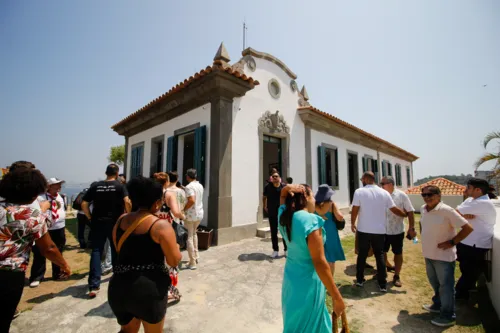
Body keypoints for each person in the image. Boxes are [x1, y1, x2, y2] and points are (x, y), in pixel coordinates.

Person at [108, 176, 182, 333]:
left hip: (119, 285)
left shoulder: (120, 220)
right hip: (149, 289)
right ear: (156, 203)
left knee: (127, 331)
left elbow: (118, 248)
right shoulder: (160, 226)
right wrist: (175, 246)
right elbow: (174, 260)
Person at [0, 168, 70, 332]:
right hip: (9, 274)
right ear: (33, 194)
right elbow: (49, 248)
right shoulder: (33, 216)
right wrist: (64, 265)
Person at [278, 184, 345, 333]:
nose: (314, 199)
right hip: (309, 285)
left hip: (291, 283)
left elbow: (282, 199)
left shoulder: (284, 217)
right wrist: (337, 297)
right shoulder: (311, 221)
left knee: (294, 325)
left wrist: (285, 190)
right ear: (306, 197)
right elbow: (320, 262)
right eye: (312, 195)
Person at [419, 185, 473, 327]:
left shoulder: (446, 211)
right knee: (435, 284)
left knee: (446, 287)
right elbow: (423, 226)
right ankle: (437, 305)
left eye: (430, 194)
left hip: (443, 257)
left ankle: (448, 315)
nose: (427, 197)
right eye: (424, 195)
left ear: (439, 195)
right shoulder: (424, 210)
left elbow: (468, 228)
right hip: (429, 254)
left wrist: (452, 242)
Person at [350, 172, 407, 292]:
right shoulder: (384, 192)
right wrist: (404, 214)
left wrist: (352, 223)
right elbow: (393, 208)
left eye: (362, 179)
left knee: (362, 255)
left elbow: (355, 208)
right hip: (379, 231)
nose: (362, 181)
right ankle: (382, 283)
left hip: (364, 230)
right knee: (379, 255)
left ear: (366, 179)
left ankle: (360, 280)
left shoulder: (359, 191)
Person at [82, 164, 131, 298]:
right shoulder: (120, 186)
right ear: (117, 174)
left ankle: (93, 285)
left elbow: (84, 203)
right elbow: (127, 201)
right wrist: (128, 214)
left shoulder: (96, 185)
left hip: (97, 222)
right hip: (115, 222)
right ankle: (118, 279)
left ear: (106, 173)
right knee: (116, 249)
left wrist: (89, 217)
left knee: (96, 251)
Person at [454, 178, 497, 301]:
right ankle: (465, 293)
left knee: (469, 272)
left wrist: (461, 214)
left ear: (478, 190)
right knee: (465, 269)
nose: (465, 190)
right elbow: (458, 211)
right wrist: (462, 214)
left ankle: (459, 295)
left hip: (475, 244)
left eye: (468, 188)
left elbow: (454, 212)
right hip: (467, 242)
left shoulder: (482, 203)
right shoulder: (471, 200)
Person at [30, 177, 68, 287]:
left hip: (59, 227)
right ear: (49, 186)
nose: (59, 186)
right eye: (57, 184)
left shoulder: (61, 197)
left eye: (60, 184)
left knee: (58, 250)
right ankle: (37, 276)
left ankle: (57, 273)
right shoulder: (40, 198)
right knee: (40, 252)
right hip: (45, 229)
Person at [380, 176, 416, 287]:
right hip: (382, 230)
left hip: (397, 231)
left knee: (398, 253)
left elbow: (410, 211)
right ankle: (383, 272)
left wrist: (411, 228)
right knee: (382, 252)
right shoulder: (381, 195)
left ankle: (396, 275)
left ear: (390, 184)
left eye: (383, 183)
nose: (381, 185)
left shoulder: (401, 195)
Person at [154, 172, 184, 301]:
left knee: (156, 259)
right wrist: (182, 216)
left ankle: (156, 285)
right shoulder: (168, 194)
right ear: (166, 182)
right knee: (170, 260)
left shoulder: (151, 195)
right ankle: (169, 289)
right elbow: (176, 212)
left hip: (153, 228)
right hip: (167, 230)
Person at [314, 184, 345, 276]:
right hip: (330, 231)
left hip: (318, 230)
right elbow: (340, 217)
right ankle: (330, 280)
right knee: (331, 259)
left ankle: (320, 279)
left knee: (319, 256)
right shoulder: (331, 204)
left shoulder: (314, 204)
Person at [183, 168, 204, 270]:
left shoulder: (189, 187)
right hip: (199, 213)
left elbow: (191, 200)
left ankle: (192, 262)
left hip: (191, 215)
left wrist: (183, 209)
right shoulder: (199, 185)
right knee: (194, 234)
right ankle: (196, 255)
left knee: (190, 237)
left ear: (188, 176)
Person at [263, 171, 287, 258]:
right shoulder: (268, 187)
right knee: (273, 232)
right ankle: (275, 250)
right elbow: (264, 197)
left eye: (276, 176)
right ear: (271, 178)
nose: (275, 178)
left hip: (282, 213)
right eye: (273, 177)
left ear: (279, 178)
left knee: (284, 231)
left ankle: (286, 250)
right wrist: (264, 206)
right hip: (272, 212)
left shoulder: (284, 187)